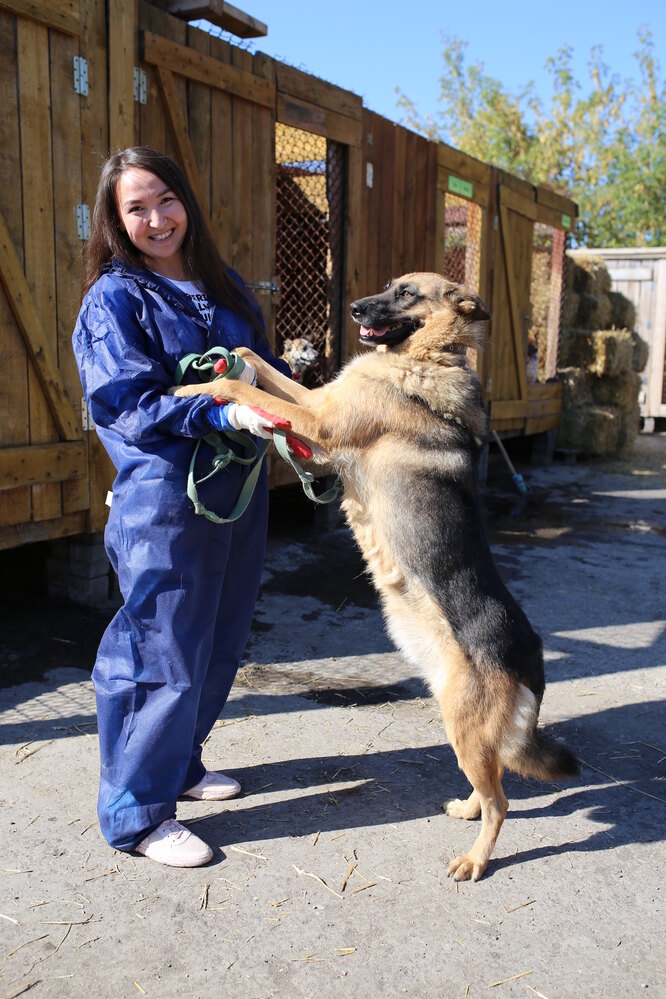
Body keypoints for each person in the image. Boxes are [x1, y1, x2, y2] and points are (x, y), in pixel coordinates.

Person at [73, 146, 309, 868]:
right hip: (165, 499)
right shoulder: (116, 298)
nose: (156, 218)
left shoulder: (223, 284)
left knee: (218, 636)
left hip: (235, 490)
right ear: (116, 222)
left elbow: (260, 367)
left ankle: (180, 763)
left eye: (164, 199)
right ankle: (137, 814)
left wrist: (291, 406)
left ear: (186, 201)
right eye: (135, 208)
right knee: (159, 648)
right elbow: (126, 402)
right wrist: (220, 414)